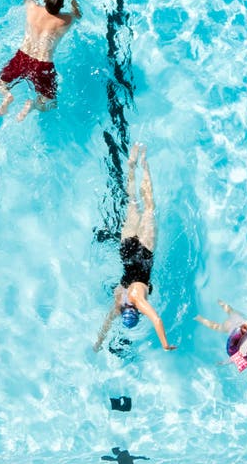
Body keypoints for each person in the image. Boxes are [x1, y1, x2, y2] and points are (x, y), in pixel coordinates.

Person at [94, 144, 176, 352]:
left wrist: (165, 344)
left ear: (136, 311)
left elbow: (156, 319)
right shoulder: (117, 305)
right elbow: (105, 325)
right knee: (133, 203)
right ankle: (131, 167)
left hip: (144, 254)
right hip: (126, 251)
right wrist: (97, 344)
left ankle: (144, 165)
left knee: (149, 208)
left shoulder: (137, 300)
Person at [0, 0, 80, 119]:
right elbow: (77, 13)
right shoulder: (65, 20)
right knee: (49, 101)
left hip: (22, 57)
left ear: (45, 2)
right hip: (43, 64)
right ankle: (32, 106)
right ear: (62, 6)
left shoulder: (32, 9)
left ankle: (7, 95)